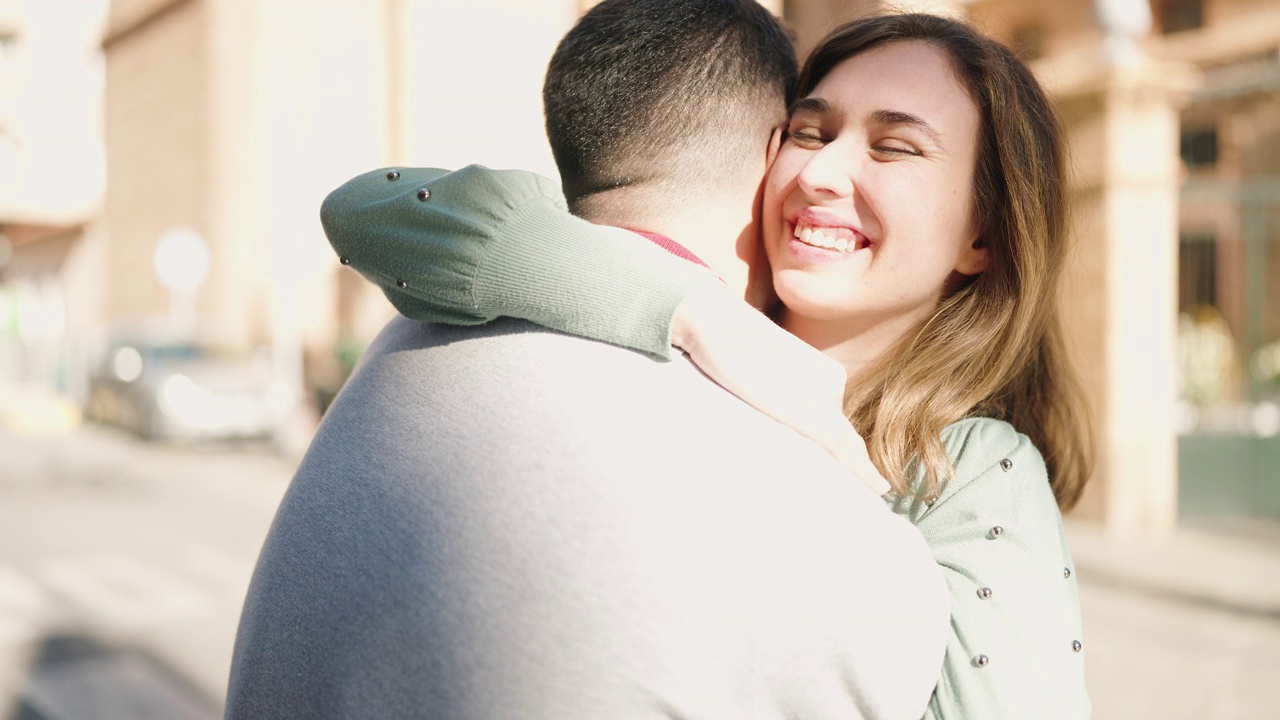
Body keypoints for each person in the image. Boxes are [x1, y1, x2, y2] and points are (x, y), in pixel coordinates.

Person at [323, 11, 1094, 720]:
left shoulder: (974, 470)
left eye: (894, 147)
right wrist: (694, 310)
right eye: (809, 131)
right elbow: (370, 213)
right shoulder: (665, 326)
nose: (822, 175)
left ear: (982, 237)